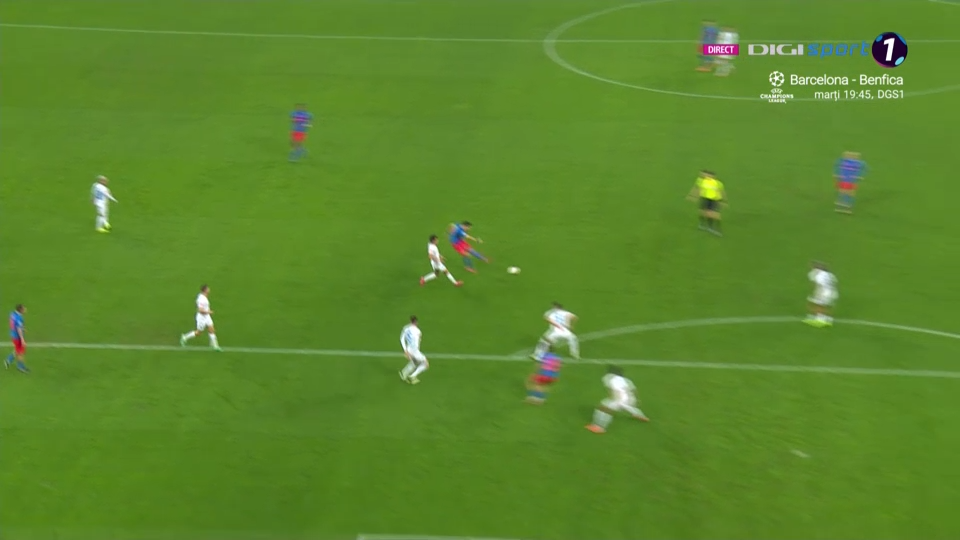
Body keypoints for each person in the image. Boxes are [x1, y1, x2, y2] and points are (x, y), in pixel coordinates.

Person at [586, 366, 649, 433]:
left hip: (619, 398)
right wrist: (637, 399)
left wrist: (613, 400)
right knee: (627, 406)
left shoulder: (608, 377)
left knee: (604, 409)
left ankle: (599, 427)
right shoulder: (627, 380)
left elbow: (612, 389)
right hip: (631, 398)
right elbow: (634, 390)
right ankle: (641, 416)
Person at [180, 285, 222, 350]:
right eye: (208, 289)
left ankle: (215, 346)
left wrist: (208, 312)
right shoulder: (201, 299)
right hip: (201, 318)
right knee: (198, 333)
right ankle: (184, 337)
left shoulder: (204, 297)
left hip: (207, 316)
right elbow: (200, 310)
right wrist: (209, 312)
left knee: (212, 330)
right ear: (205, 290)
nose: (209, 290)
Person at [687, 170, 726, 236]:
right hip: (705, 198)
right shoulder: (701, 181)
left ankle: (714, 228)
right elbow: (698, 189)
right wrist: (693, 196)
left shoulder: (717, 183)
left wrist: (723, 201)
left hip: (714, 200)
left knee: (713, 214)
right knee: (702, 212)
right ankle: (703, 225)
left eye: (706, 175)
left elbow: (721, 192)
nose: (704, 175)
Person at [805, 262, 838, 327]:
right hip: (832, 291)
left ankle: (819, 319)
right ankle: (828, 319)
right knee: (826, 305)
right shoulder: (830, 275)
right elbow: (834, 282)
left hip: (823, 291)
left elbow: (819, 285)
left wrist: (817, 294)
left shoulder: (819, 275)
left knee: (818, 304)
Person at [400, 316, 429, 384]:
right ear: (416, 322)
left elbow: (402, 339)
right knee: (425, 364)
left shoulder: (406, 328)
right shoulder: (418, 331)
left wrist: (405, 351)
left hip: (408, 350)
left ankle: (404, 373)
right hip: (414, 351)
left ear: (410, 321)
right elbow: (415, 343)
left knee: (415, 362)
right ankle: (412, 376)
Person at [6, 304, 29, 373]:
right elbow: (18, 329)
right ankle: (20, 366)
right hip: (17, 337)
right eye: (24, 308)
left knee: (17, 350)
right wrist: (22, 340)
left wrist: (22, 328)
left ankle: (8, 360)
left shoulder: (12, 314)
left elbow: (15, 324)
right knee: (20, 352)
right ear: (21, 310)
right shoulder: (19, 318)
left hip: (13, 334)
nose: (25, 309)